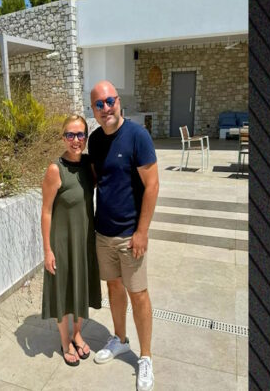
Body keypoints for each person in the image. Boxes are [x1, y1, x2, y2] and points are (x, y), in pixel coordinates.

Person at [88, 80, 159, 391]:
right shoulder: (94, 140)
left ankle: (146, 357)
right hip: (103, 233)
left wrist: (142, 231)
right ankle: (120, 339)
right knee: (114, 288)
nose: (106, 108)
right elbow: (97, 180)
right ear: (93, 110)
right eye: (99, 104)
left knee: (138, 294)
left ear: (118, 101)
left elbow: (152, 185)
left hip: (131, 236)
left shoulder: (137, 136)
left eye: (110, 101)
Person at [41, 115, 102, 367]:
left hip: (85, 239)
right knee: (63, 291)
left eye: (80, 135)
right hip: (62, 242)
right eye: (70, 135)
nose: (75, 140)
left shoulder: (88, 165)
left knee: (80, 288)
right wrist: (48, 250)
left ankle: (77, 333)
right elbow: (46, 211)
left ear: (86, 138)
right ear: (63, 137)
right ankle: (65, 340)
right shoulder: (55, 169)